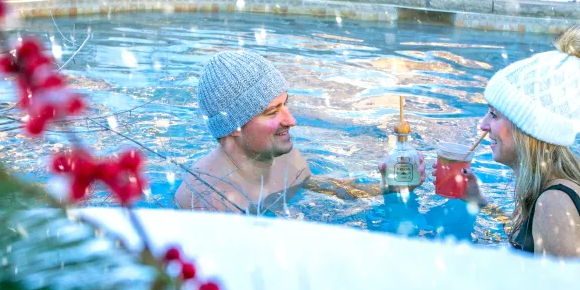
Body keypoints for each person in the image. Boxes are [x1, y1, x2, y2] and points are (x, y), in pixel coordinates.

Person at [174, 49, 425, 214]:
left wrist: (387, 188)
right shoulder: (206, 199)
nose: (291, 120)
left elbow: (325, 188)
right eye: (273, 112)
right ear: (233, 126)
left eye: (286, 104)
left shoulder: (285, 159)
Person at [446, 26, 580, 262]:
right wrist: (479, 202)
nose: (482, 124)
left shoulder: (554, 203)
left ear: (528, 129)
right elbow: (526, 238)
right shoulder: (548, 188)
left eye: (493, 114)